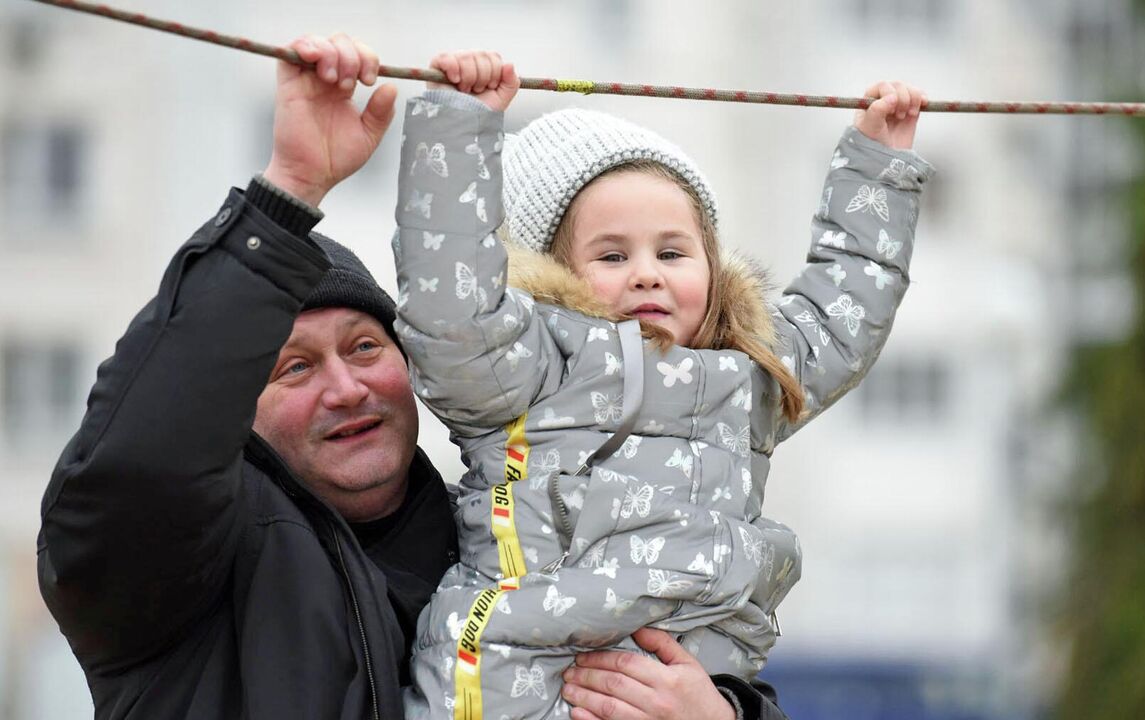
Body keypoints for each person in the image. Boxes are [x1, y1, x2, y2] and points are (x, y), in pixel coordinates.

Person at [36, 35, 789, 720]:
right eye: (292, 367)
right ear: (236, 403)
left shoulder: (510, 538)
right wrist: (289, 191)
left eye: (365, 348)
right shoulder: (180, 567)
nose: (345, 387)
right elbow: (137, 458)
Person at [394, 51, 931, 719]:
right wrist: (459, 126)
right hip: (522, 681)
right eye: (612, 256)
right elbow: (449, 306)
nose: (647, 273)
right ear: (555, 270)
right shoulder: (533, 366)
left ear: (712, 265)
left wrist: (877, 165)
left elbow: (843, 313)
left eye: (671, 252)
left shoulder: (751, 374)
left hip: (685, 689)